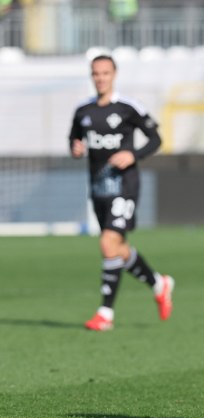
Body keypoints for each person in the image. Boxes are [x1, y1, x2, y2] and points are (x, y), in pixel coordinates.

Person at [69, 54, 174, 331]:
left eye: (105, 73)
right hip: (98, 187)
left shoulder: (128, 108)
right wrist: (76, 149)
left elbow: (156, 139)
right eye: (95, 73)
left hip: (125, 185)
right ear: (91, 76)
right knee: (116, 247)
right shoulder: (83, 111)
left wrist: (133, 154)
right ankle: (159, 283)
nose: (100, 78)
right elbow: (74, 139)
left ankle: (105, 313)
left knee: (107, 242)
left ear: (114, 75)